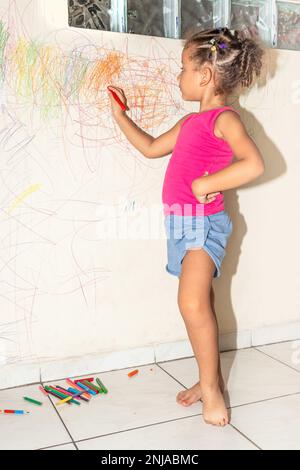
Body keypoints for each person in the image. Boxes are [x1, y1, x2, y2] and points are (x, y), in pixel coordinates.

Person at [107, 27, 265, 426]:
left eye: (182, 69)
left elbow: (254, 164)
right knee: (202, 303)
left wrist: (208, 183)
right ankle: (207, 379)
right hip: (179, 224)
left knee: (191, 303)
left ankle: (212, 391)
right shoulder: (189, 123)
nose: (178, 77)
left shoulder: (225, 119)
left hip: (203, 224)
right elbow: (149, 147)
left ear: (206, 76)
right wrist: (120, 115)